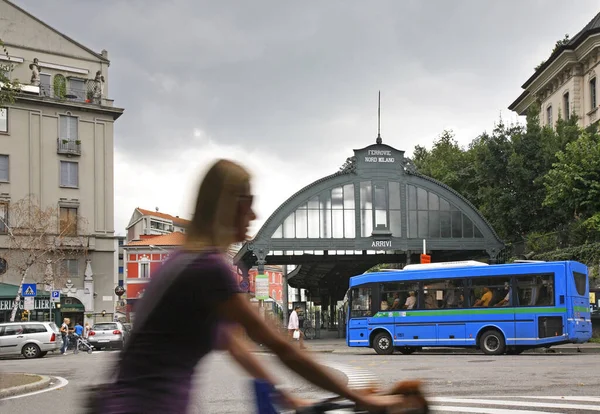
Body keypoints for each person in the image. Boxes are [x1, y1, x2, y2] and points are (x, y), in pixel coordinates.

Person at [89, 160, 416, 414]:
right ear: (228, 205)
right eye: (248, 201)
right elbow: (280, 346)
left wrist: (284, 396)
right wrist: (359, 397)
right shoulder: (207, 267)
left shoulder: (181, 261)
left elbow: (237, 346)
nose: (254, 213)